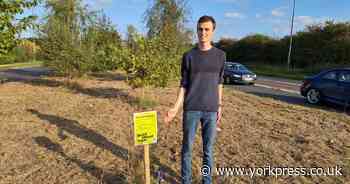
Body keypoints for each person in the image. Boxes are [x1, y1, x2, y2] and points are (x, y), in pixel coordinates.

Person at [164, 15, 225, 184]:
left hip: (211, 110)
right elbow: (183, 84)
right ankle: (186, 180)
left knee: (208, 150)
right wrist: (175, 108)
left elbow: (219, 82)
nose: (203, 32)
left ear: (213, 31)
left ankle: (207, 181)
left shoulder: (221, 56)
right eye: (200, 29)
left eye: (207, 29)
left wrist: (219, 105)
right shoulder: (188, 56)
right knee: (187, 149)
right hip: (191, 108)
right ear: (196, 30)